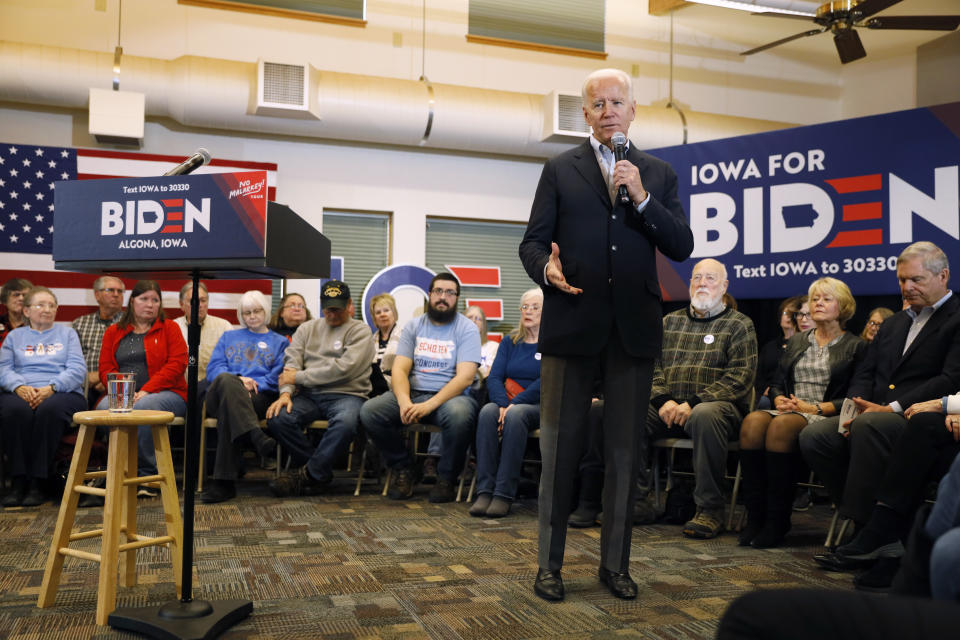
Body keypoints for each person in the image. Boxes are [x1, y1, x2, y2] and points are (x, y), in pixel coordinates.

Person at [519, 68, 693, 602]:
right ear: (586, 113)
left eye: (618, 101)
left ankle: (615, 566)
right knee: (560, 453)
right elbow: (531, 243)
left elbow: (681, 244)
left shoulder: (657, 173)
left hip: (632, 334)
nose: (608, 110)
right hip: (571, 326)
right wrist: (544, 272)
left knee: (623, 456)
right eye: (598, 103)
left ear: (633, 111)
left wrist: (641, 198)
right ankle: (549, 566)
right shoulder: (559, 169)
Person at [799, 241, 960, 559]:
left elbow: (950, 378)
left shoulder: (956, 318)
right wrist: (854, 405)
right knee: (815, 436)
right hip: (874, 410)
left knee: (871, 426)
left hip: (918, 416)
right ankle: (871, 520)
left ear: (943, 276)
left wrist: (890, 408)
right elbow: (867, 372)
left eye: (916, 279)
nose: (907, 287)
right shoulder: (893, 323)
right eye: (902, 280)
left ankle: (867, 532)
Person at [738, 277, 865, 548]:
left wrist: (812, 408)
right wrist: (780, 398)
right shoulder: (797, 342)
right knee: (752, 422)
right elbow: (775, 383)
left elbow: (856, 397)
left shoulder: (856, 346)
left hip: (826, 413)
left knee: (780, 427)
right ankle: (755, 517)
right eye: (815, 298)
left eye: (826, 299)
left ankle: (777, 521)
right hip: (791, 409)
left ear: (842, 307)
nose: (817, 303)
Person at [646, 258, 757, 540]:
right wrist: (664, 401)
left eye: (710, 278)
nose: (702, 284)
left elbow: (740, 378)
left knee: (704, 415)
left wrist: (693, 403)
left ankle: (710, 510)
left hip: (717, 410)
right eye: (697, 278)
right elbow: (650, 367)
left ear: (724, 286)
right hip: (669, 407)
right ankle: (635, 501)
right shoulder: (669, 322)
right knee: (626, 412)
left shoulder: (740, 325)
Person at [360, 272, 481, 503]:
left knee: (461, 415)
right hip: (414, 393)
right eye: (438, 291)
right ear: (429, 295)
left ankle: (446, 478)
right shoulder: (414, 326)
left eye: (449, 292)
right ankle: (404, 467)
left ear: (457, 298)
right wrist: (404, 400)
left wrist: (429, 405)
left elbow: (465, 378)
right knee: (370, 411)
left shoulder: (467, 329)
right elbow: (400, 369)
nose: (443, 297)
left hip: (449, 398)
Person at [266, 280, 374, 497]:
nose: (332, 314)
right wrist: (285, 393)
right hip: (310, 395)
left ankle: (308, 475)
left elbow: (344, 369)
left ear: (349, 304)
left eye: (337, 309)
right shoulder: (307, 329)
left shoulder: (360, 331)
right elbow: (292, 363)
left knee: (346, 423)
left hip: (348, 394)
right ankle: (318, 472)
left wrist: (299, 377)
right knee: (278, 417)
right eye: (328, 309)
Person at [97, 280, 188, 494]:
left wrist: (146, 389)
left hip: (168, 392)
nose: (150, 304)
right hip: (124, 393)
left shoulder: (170, 328)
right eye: (144, 299)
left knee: (142, 409)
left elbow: (177, 364)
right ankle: (122, 470)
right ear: (132, 302)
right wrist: (124, 391)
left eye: (155, 300)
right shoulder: (113, 331)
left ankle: (149, 475)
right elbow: (105, 367)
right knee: (102, 410)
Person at [197, 290, 288, 504]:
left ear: (265, 311)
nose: (252, 316)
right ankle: (255, 436)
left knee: (232, 406)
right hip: (219, 393)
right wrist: (240, 380)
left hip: (259, 395)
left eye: (256, 311)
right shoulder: (229, 337)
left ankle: (223, 483)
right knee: (229, 382)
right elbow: (214, 369)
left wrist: (253, 385)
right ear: (241, 315)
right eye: (246, 312)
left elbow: (278, 375)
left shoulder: (280, 341)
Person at [0, 287, 86, 507]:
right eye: (40, 305)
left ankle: (38, 482)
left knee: (49, 410)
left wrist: (52, 387)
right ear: (26, 311)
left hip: (62, 393)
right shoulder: (14, 336)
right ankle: (19, 482)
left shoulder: (67, 334)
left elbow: (77, 370)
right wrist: (18, 386)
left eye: (52, 305)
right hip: (21, 391)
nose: (47, 309)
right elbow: (3, 369)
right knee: (14, 410)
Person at [470, 288, 543, 518]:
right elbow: (495, 377)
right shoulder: (510, 341)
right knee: (487, 412)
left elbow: (547, 380)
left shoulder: (553, 344)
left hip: (541, 404)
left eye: (535, 307)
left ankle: (503, 493)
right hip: (508, 402)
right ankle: (485, 490)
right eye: (524, 307)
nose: (528, 311)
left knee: (517, 414)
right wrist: (502, 403)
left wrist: (515, 404)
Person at [72, 276, 124, 408]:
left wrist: (105, 378)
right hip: (85, 386)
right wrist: (88, 379)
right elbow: (71, 360)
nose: (116, 295)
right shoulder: (80, 324)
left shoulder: (130, 323)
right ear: (97, 295)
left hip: (120, 385)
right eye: (110, 290)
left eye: (120, 291)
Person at [173, 281, 232, 385]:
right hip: (181, 390)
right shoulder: (173, 327)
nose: (198, 305)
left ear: (208, 302)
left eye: (203, 300)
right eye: (193, 301)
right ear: (181, 305)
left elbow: (233, 363)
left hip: (213, 389)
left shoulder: (224, 327)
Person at [754, 296, 801, 411]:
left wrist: (775, 392)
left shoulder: (802, 345)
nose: (788, 317)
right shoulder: (769, 347)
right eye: (785, 313)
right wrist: (764, 389)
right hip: (765, 393)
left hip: (790, 394)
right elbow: (758, 375)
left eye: (793, 314)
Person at [369, 293, 401, 397]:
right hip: (372, 388)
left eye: (386, 310)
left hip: (396, 389)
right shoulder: (369, 340)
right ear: (374, 318)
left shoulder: (405, 336)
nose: (382, 314)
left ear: (394, 313)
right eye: (378, 312)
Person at [465, 305, 499, 379]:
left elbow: (491, 377)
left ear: (483, 325)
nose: (474, 321)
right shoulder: (454, 346)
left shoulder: (493, 347)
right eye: (470, 317)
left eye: (478, 319)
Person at [0, 278, 33, 345]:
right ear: (5, 300)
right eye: (16, 295)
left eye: (25, 295)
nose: (21, 298)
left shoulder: (39, 325)